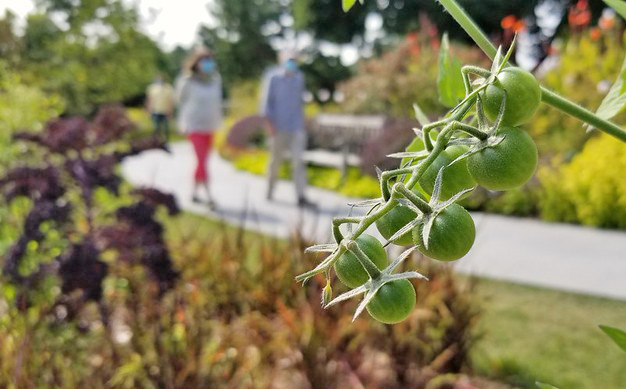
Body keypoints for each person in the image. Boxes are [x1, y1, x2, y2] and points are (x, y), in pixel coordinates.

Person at [260, 50, 314, 208]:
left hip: (296, 127)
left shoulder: (299, 78)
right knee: (275, 162)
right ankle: (269, 191)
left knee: (298, 162)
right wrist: (269, 125)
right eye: (289, 60)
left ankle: (301, 196)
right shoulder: (273, 78)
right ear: (281, 60)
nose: (292, 63)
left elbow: (300, 103)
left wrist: (304, 122)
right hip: (277, 128)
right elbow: (266, 104)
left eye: (295, 60)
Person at [175, 47, 222, 207]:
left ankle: (194, 192)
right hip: (194, 125)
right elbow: (181, 102)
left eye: (210, 60)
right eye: (205, 61)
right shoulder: (187, 81)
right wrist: (181, 123)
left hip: (210, 125)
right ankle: (208, 195)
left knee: (202, 160)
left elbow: (217, 103)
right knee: (202, 160)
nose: (208, 64)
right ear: (197, 63)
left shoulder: (215, 80)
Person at [146, 73, 174, 140]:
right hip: (155, 110)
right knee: (156, 127)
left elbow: (170, 101)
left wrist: (170, 111)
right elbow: (149, 100)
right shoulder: (152, 88)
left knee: (165, 128)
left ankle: (165, 141)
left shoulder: (169, 88)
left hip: (165, 111)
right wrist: (148, 110)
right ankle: (156, 140)